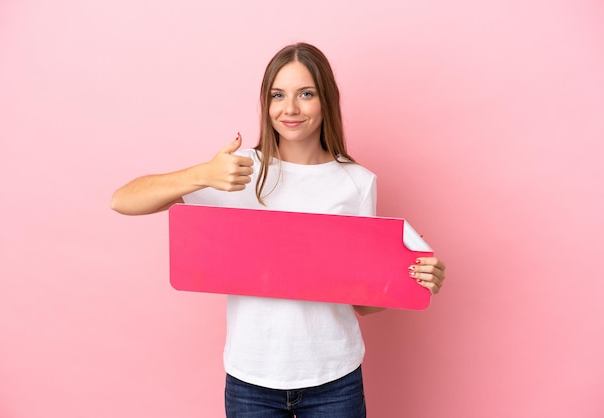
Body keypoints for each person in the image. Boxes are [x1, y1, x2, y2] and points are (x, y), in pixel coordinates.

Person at [111, 42, 446, 418]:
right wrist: (201, 174)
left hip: (334, 378)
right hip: (250, 379)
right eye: (278, 95)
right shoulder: (235, 170)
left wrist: (411, 277)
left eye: (306, 94)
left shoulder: (356, 182)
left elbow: (361, 301)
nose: (290, 109)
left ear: (327, 101)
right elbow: (123, 200)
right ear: (266, 103)